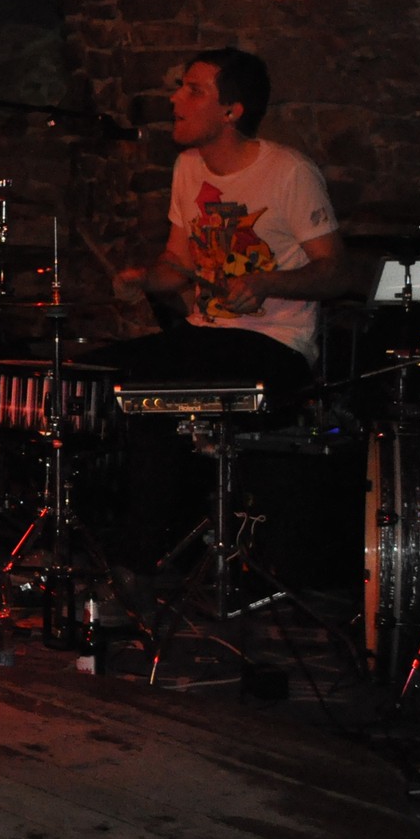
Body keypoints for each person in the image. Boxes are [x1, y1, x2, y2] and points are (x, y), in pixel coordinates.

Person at [107, 47, 352, 566]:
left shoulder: (288, 171)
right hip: (209, 336)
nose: (175, 99)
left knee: (150, 376)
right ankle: (142, 550)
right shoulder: (187, 167)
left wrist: (266, 282)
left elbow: (336, 272)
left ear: (231, 111)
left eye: (193, 90)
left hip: (276, 345)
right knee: (106, 373)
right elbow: (177, 263)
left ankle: (139, 562)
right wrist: (145, 278)